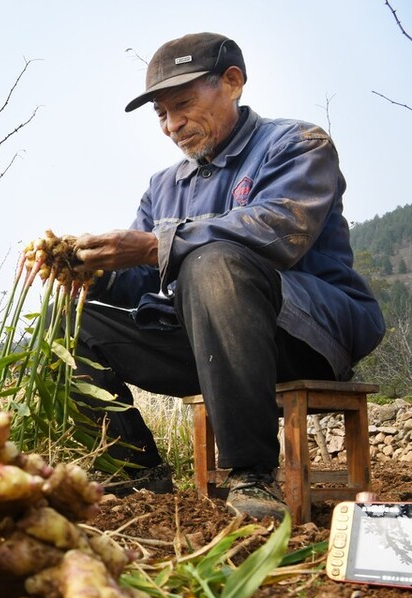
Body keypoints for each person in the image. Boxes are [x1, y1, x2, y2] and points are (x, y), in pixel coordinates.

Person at [71, 32, 385, 520]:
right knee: (72, 325)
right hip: (204, 343)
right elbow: (144, 276)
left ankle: (252, 474)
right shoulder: (163, 186)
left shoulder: (297, 144)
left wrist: (154, 245)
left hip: (301, 335)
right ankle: (136, 472)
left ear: (232, 82)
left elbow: (279, 230)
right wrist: (94, 272)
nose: (172, 125)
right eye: (161, 114)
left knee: (213, 263)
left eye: (183, 104)